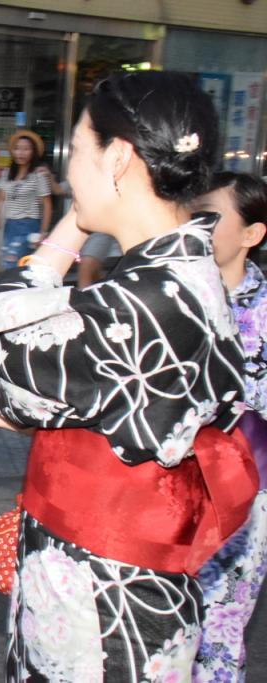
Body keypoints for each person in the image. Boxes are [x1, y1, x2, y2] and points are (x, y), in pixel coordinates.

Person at [0, 71, 258, 681]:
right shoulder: (167, 279)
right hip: (101, 580)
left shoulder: (149, 297)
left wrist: (71, 228)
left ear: (120, 158)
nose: (68, 169)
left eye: (78, 150)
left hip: (109, 599)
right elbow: (117, 406)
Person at [193, 172, 267, 681]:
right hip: (161, 493)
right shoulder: (174, 299)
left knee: (218, 632)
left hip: (243, 504)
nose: (199, 226)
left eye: (214, 217)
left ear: (251, 235)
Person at [0, 130, 52, 270]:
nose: (21, 153)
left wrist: (43, 232)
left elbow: (47, 204)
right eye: (17, 148)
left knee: (12, 263)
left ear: (33, 152)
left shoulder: (38, 174)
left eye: (26, 149)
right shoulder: (7, 173)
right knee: (12, 265)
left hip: (29, 225)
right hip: (9, 225)